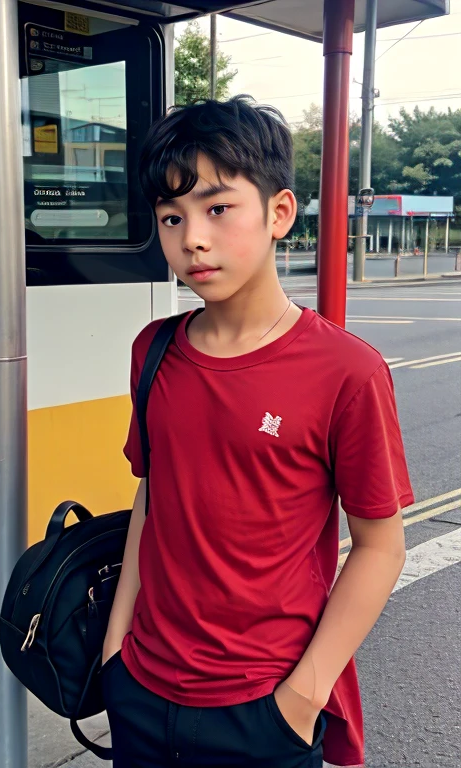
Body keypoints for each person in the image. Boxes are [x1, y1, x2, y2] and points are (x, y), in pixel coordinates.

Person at [101, 96, 414, 768]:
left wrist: (302, 697)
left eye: (217, 208)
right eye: (171, 218)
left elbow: (381, 546)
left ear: (278, 213)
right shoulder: (152, 351)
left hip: (264, 709)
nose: (193, 238)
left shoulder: (345, 370)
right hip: (142, 690)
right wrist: (115, 650)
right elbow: (151, 495)